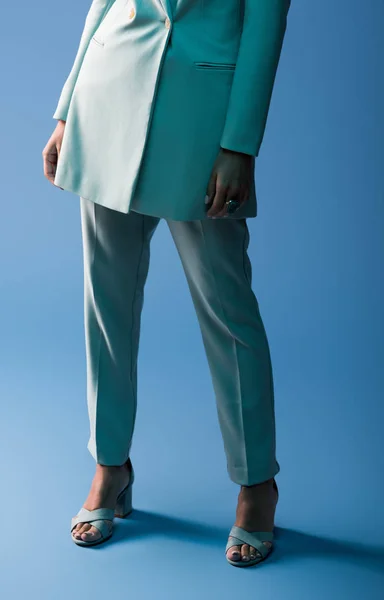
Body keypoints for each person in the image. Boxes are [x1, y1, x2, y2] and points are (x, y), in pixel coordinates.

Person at [42, 0, 291, 567]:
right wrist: (66, 111)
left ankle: (257, 484)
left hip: (202, 127)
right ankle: (110, 466)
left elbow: (266, 22)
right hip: (107, 105)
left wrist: (240, 142)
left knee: (228, 311)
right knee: (105, 305)